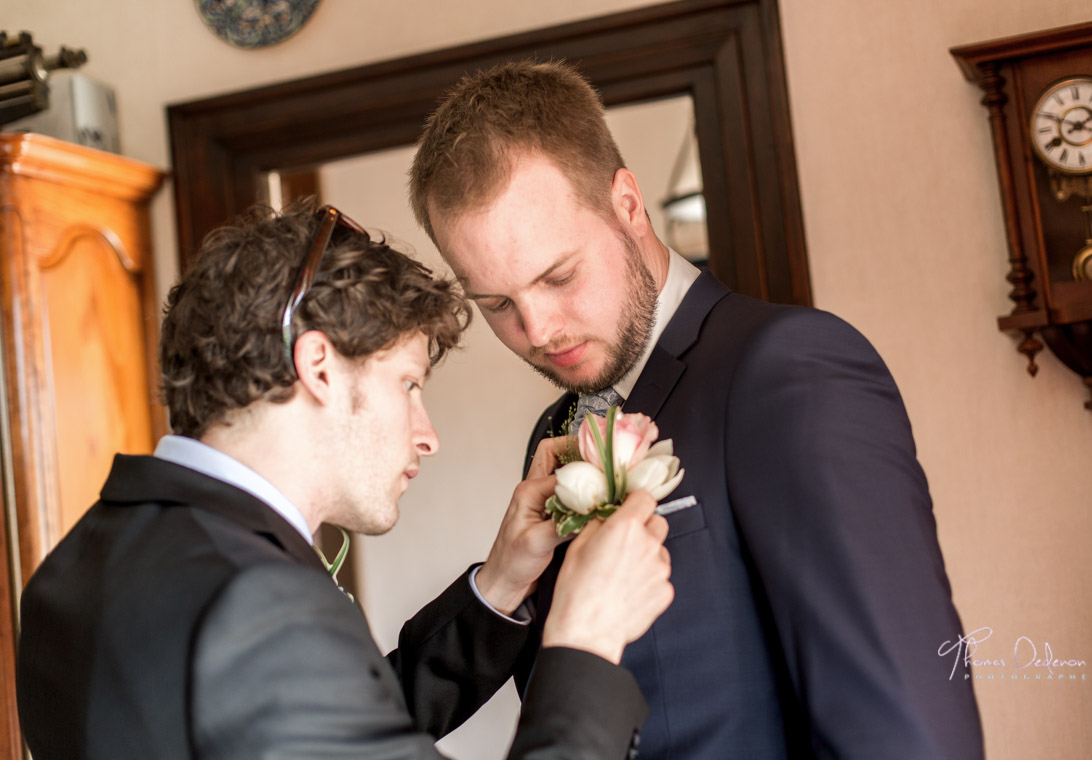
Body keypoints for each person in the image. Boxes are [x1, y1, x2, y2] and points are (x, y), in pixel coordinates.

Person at [409, 61, 985, 758]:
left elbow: (906, 728)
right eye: (496, 305)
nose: (537, 331)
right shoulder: (557, 434)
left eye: (558, 277)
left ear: (628, 205)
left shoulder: (789, 368)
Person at [16, 202, 674, 759]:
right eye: (408, 384)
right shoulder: (257, 604)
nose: (427, 435)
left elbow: (335, 734)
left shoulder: (81, 560)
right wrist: (584, 639)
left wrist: (499, 586)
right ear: (320, 367)